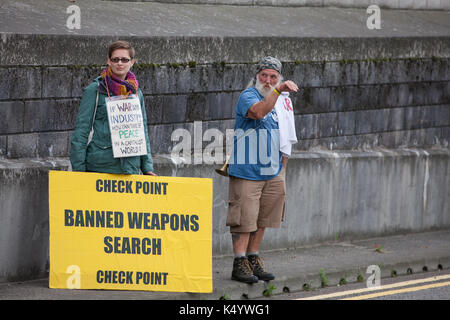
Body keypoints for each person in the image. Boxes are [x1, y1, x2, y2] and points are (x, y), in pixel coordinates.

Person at [227, 56, 298, 283]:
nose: (268, 81)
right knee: (244, 218)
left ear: (279, 78)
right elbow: (258, 112)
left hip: (274, 169)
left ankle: (253, 258)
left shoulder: (282, 101)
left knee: (263, 218)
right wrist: (278, 91)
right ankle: (239, 263)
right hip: (248, 169)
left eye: (273, 77)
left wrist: (283, 166)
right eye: (264, 75)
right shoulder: (249, 95)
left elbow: (286, 133)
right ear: (257, 76)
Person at [70, 40, 156, 176]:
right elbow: (81, 131)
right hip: (100, 168)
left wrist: (147, 167)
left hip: (130, 169)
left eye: (124, 59)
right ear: (108, 61)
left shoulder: (136, 92)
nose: (120, 63)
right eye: (115, 59)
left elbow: (142, 130)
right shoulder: (95, 90)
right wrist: (79, 171)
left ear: (132, 62)